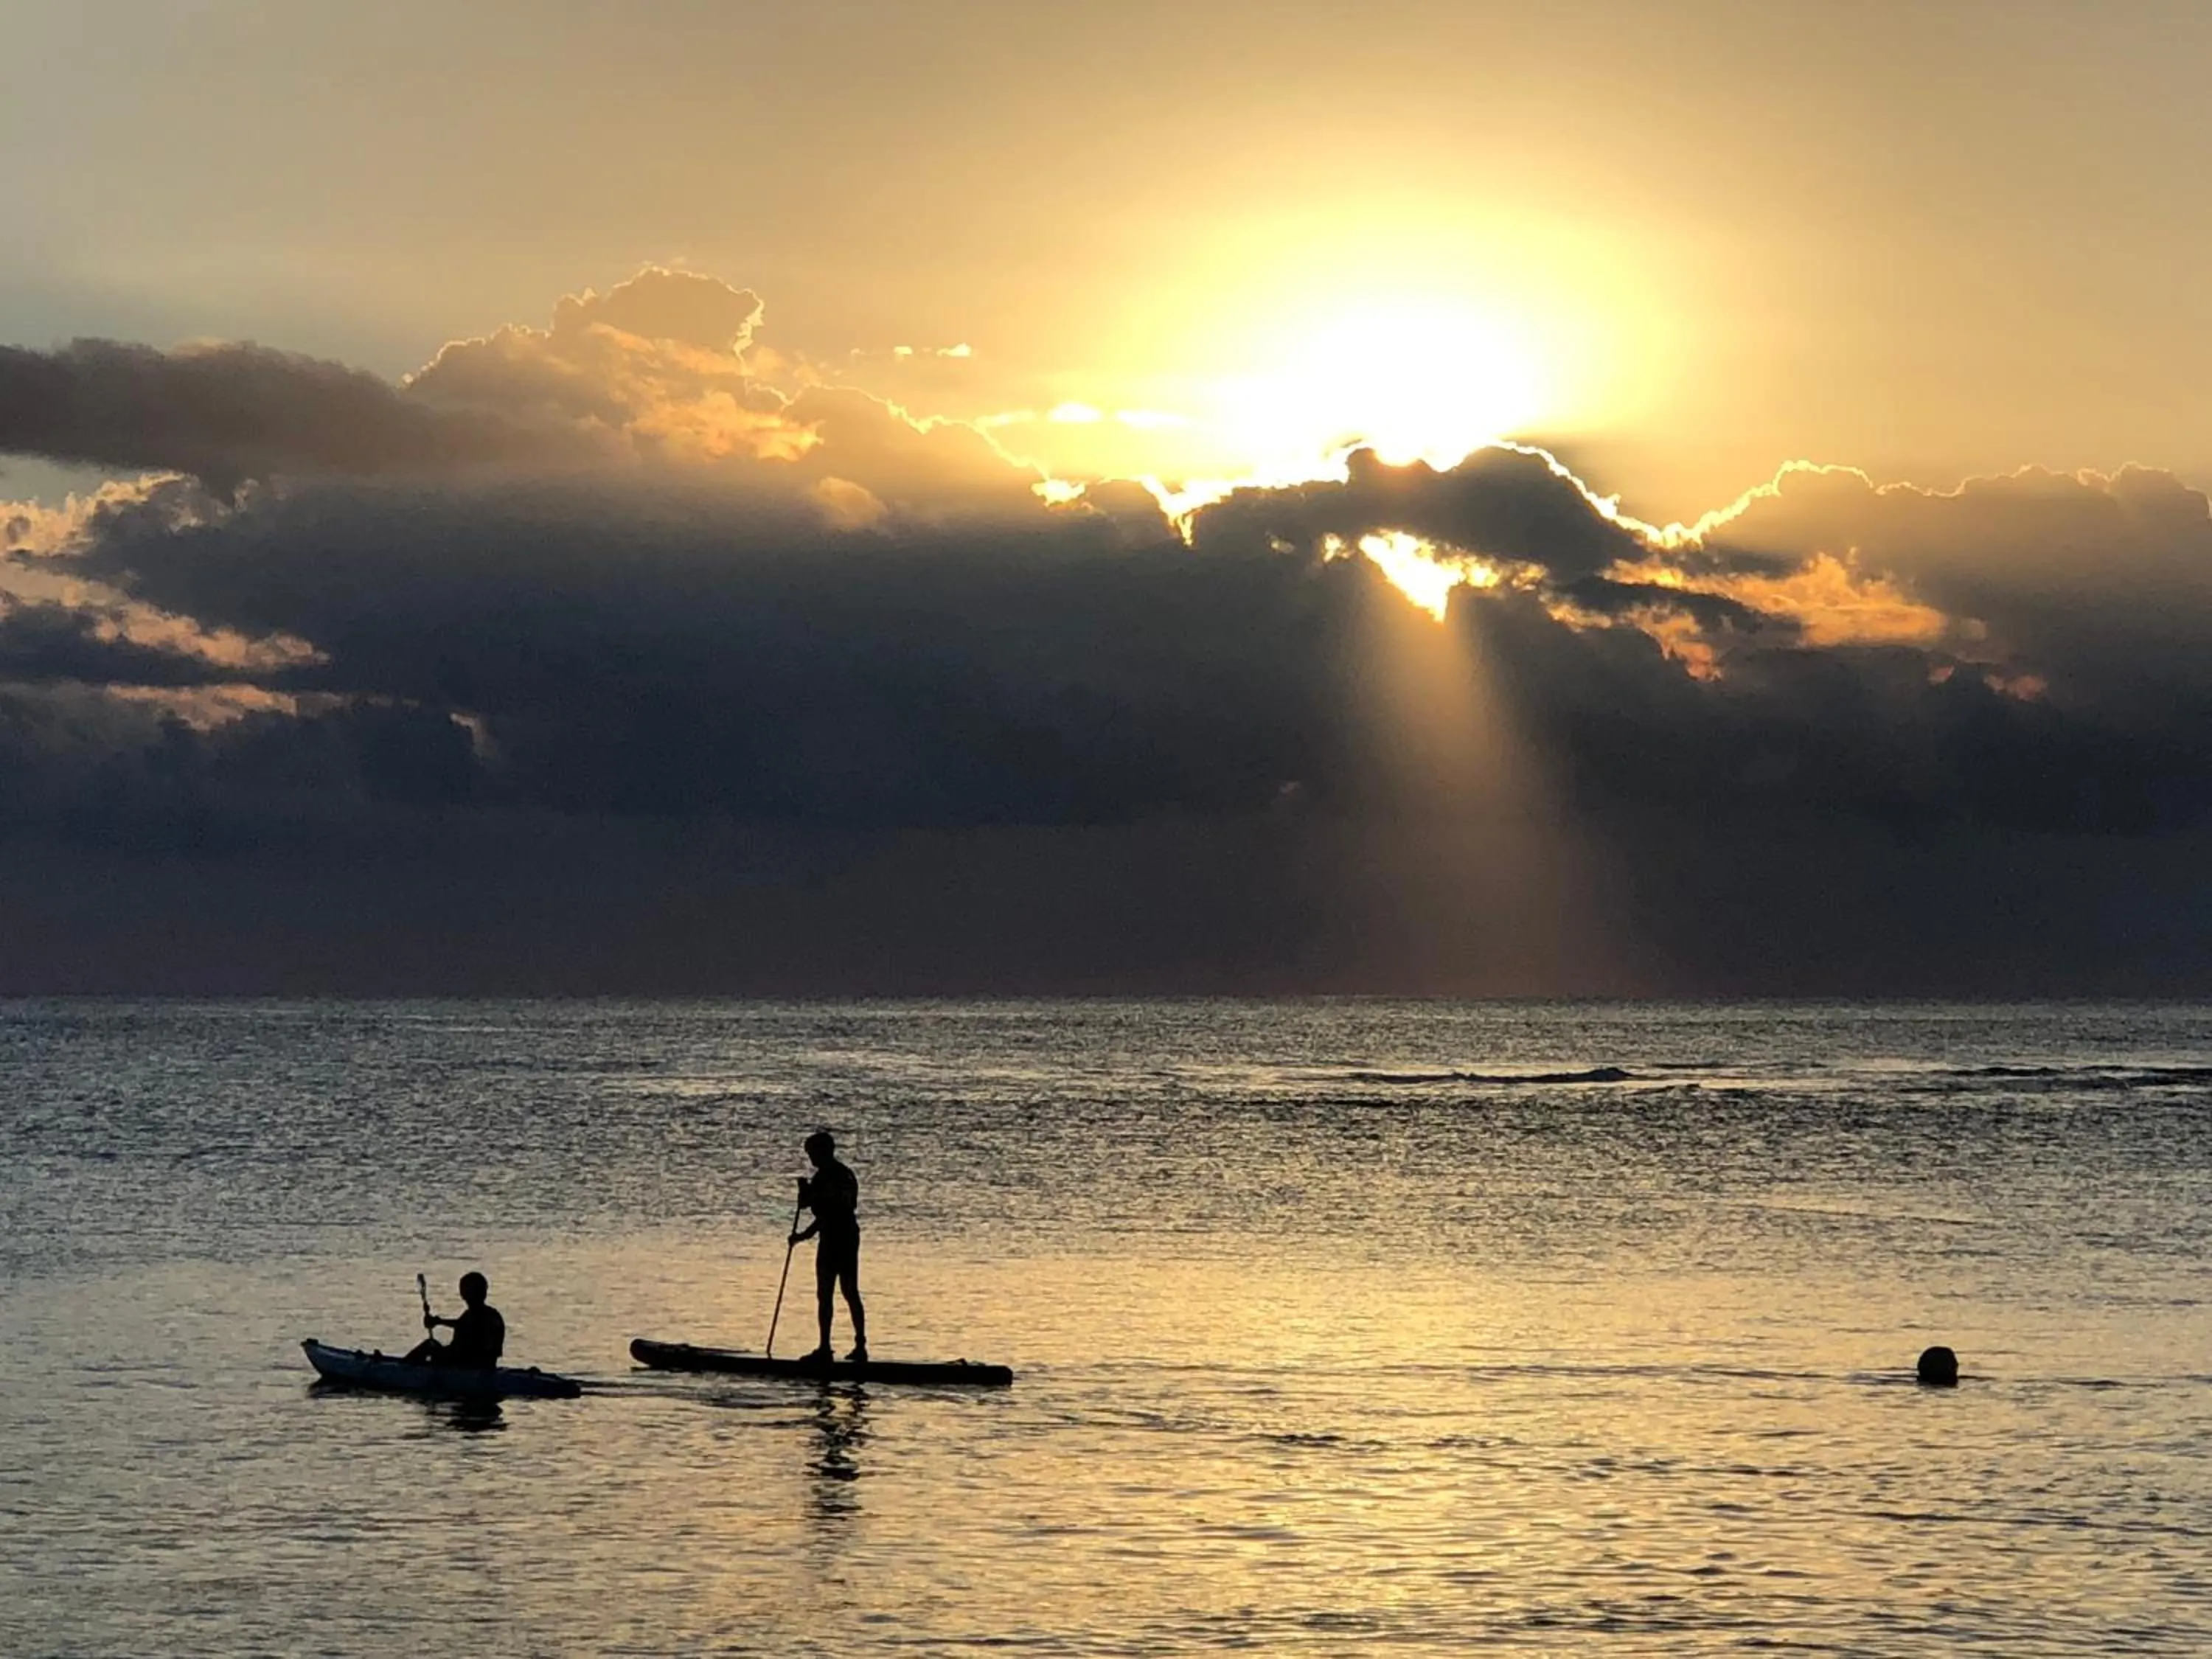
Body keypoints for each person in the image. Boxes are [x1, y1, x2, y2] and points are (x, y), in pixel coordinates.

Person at [790, 1130, 867, 1364]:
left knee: (832, 1293)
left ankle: (829, 1348)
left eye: (812, 1153)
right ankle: (857, 1345)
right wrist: (805, 1192)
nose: (810, 1159)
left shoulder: (829, 1177)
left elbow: (826, 1211)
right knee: (847, 1291)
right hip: (846, 1235)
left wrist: (803, 1235)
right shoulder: (842, 1175)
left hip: (837, 1237)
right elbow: (812, 1205)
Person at [407, 1271, 506, 1369]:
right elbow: (462, 1324)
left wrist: (438, 1322)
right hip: (482, 1365)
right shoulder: (491, 1315)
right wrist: (438, 1322)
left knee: (430, 1345)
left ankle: (402, 1370)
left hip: (465, 1365)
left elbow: (465, 1326)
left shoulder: (477, 1317)